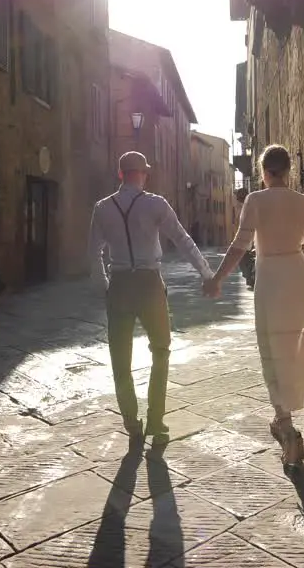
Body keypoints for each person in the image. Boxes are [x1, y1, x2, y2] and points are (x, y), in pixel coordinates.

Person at [203, 145, 304, 468]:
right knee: (294, 349)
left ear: (263, 173)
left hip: (271, 280)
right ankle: (287, 420)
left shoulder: (255, 201)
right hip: (299, 277)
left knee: (272, 350)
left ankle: (286, 426)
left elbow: (240, 245)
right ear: (288, 171)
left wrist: (217, 278)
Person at [88, 151, 215, 449]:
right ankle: (156, 420)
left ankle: (131, 422)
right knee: (160, 350)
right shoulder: (156, 204)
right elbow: (183, 239)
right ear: (143, 174)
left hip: (119, 284)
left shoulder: (102, 208)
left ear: (120, 174)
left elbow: (93, 253)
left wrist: (105, 285)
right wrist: (206, 273)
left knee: (121, 357)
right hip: (149, 284)